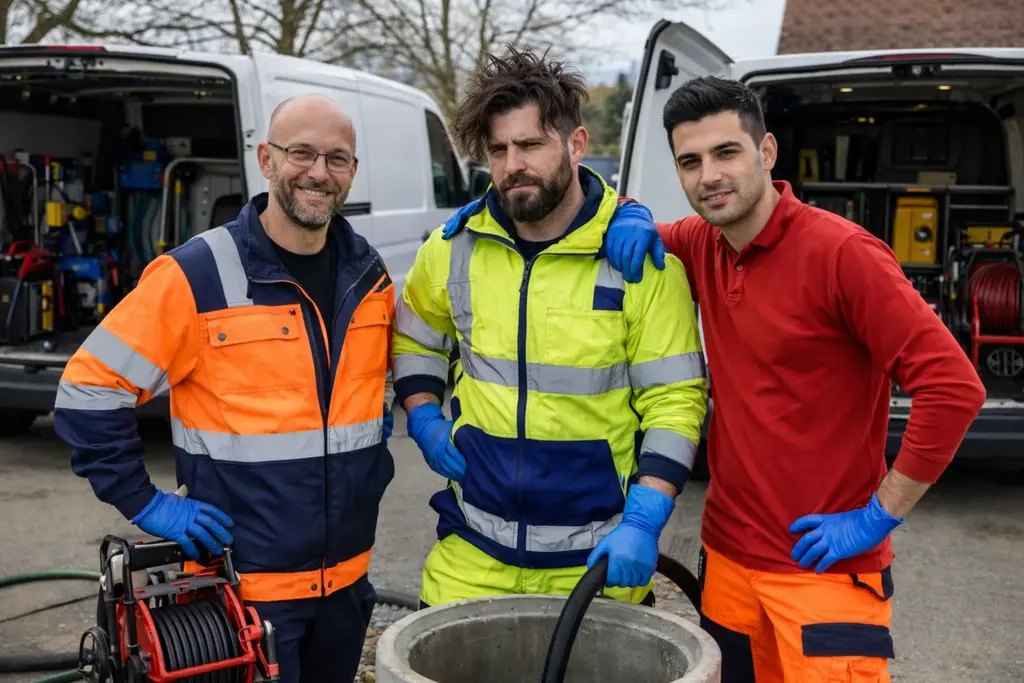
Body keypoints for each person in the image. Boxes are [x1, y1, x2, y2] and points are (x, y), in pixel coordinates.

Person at [589, 75, 986, 682]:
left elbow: (953, 387)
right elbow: (620, 223)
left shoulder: (842, 255)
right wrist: (633, 211)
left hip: (825, 571)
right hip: (727, 562)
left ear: (766, 153)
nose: (709, 176)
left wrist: (879, 514)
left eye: (727, 153)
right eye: (690, 162)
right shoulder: (702, 243)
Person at [53, 93, 396, 683]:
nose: (318, 172)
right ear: (265, 159)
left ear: (353, 172)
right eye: (301, 153)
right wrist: (145, 502)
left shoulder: (371, 278)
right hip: (242, 596)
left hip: (345, 589)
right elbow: (88, 391)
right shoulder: (196, 274)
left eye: (337, 158)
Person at [391, 46, 709, 609]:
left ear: (576, 144)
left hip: (596, 563)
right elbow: (415, 335)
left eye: (531, 144)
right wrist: (421, 412)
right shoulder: (452, 249)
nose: (514, 163)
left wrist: (644, 517)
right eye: (499, 149)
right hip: (471, 556)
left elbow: (675, 402)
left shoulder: (638, 263)